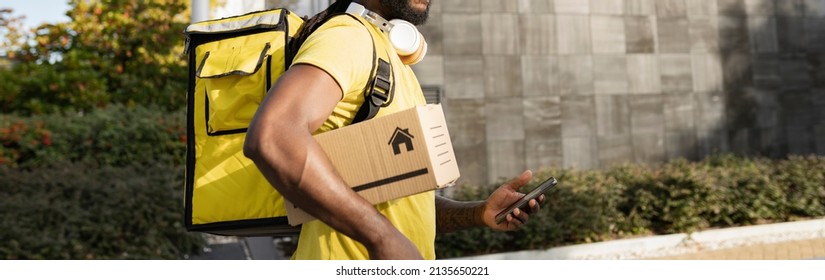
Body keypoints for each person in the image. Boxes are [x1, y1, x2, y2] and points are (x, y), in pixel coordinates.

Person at [243, 0, 544, 260]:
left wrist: (478, 213)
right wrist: (382, 237)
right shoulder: (347, 38)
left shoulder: (389, 58)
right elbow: (273, 136)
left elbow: (396, 201)